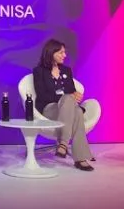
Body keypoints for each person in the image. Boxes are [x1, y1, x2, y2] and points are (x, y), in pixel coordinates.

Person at [32, 38, 94, 171]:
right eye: (61, 52)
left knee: (76, 110)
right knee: (70, 103)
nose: (64, 55)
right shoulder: (39, 71)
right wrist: (66, 96)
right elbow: (42, 95)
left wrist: (75, 95)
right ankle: (79, 157)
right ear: (51, 52)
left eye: (64, 52)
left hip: (67, 109)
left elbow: (71, 91)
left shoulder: (66, 70)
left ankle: (63, 145)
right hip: (49, 109)